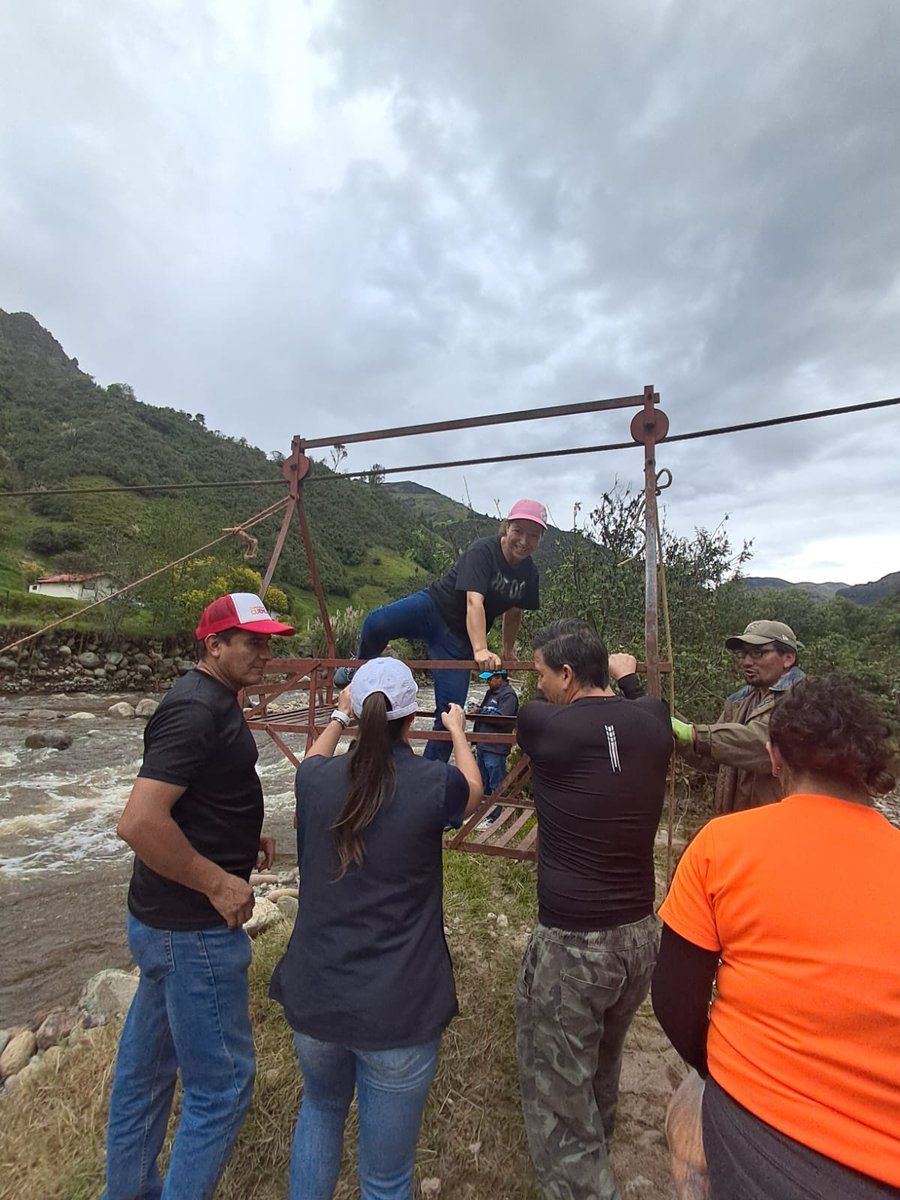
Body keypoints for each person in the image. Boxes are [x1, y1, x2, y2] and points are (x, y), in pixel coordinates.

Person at [653, 675, 900, 1197]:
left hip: (756, 1131)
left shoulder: (723, 844)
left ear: (775, 756)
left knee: (688, 1136)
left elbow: (675, 1001)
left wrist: (725, 1070)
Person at [103, 592, 295, 1200]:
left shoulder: (213, 699)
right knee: (224, 1086)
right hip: (190, 929)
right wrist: (218, 880)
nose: (264, 652)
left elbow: (191, 797)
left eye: (268, 641)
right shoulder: (194, 710)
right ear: (214, 645)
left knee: (146, 1076)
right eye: (251, 642)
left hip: (165, 920)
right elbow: (138, 821)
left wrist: (239, 836)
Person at [269, 658, 483, 1200]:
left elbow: (311, 763)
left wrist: (337, 719)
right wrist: (458, 731)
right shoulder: (433, 785)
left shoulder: (314, 782)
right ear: (411, 719)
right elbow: (473, 790)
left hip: (316, 999)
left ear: (359, 715)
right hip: (399, 1009)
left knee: (319, 1109)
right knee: (385, 1177)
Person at [514, 619, 673, 1200]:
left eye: (541, 676)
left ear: (565, 673)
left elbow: (545, 718)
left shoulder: (540, 724)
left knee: (557, 1089)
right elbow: (643, 710)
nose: (537, 688)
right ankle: (600, 1147)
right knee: (603, 1059)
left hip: (573, 944)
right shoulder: (653, 724)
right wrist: (628, 682)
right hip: (638, 938)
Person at [334, 499, 546, 762]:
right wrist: (480, 649)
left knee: (449, 714)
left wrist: (508, 650)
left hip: (457, 641)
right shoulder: (484, 551)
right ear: (506, 527)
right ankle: (358, 670)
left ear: (540, 539)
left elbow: (514, 611)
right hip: (432, 608)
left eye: (533, 535)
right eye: (519, 531)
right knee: (376, 622)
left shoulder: (530, 574)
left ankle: (425, 779)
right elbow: (474, 601)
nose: (524, 540)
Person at [671, 619, 804, 812]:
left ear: (788, 658)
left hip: (777, 827)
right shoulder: (739, 702)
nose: (746, 661)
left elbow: (763, 744)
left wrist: (694, 733)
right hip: (736, 824)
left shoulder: (804, 699)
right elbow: (712, 758)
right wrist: (668, 722)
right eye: (742, 654)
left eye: (758, 653)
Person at [467, 666, 519, 825]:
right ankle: (479, 814)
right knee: (481, 782)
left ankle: (494, 818)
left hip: (496, 747)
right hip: (483, 744)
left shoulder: (509, 696)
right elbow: (484, 713)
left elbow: (502, 718)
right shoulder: (490, 693)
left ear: (500, 677)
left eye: (490, 678)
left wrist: (480, 711)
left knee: (496, 784)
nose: (488, 681)